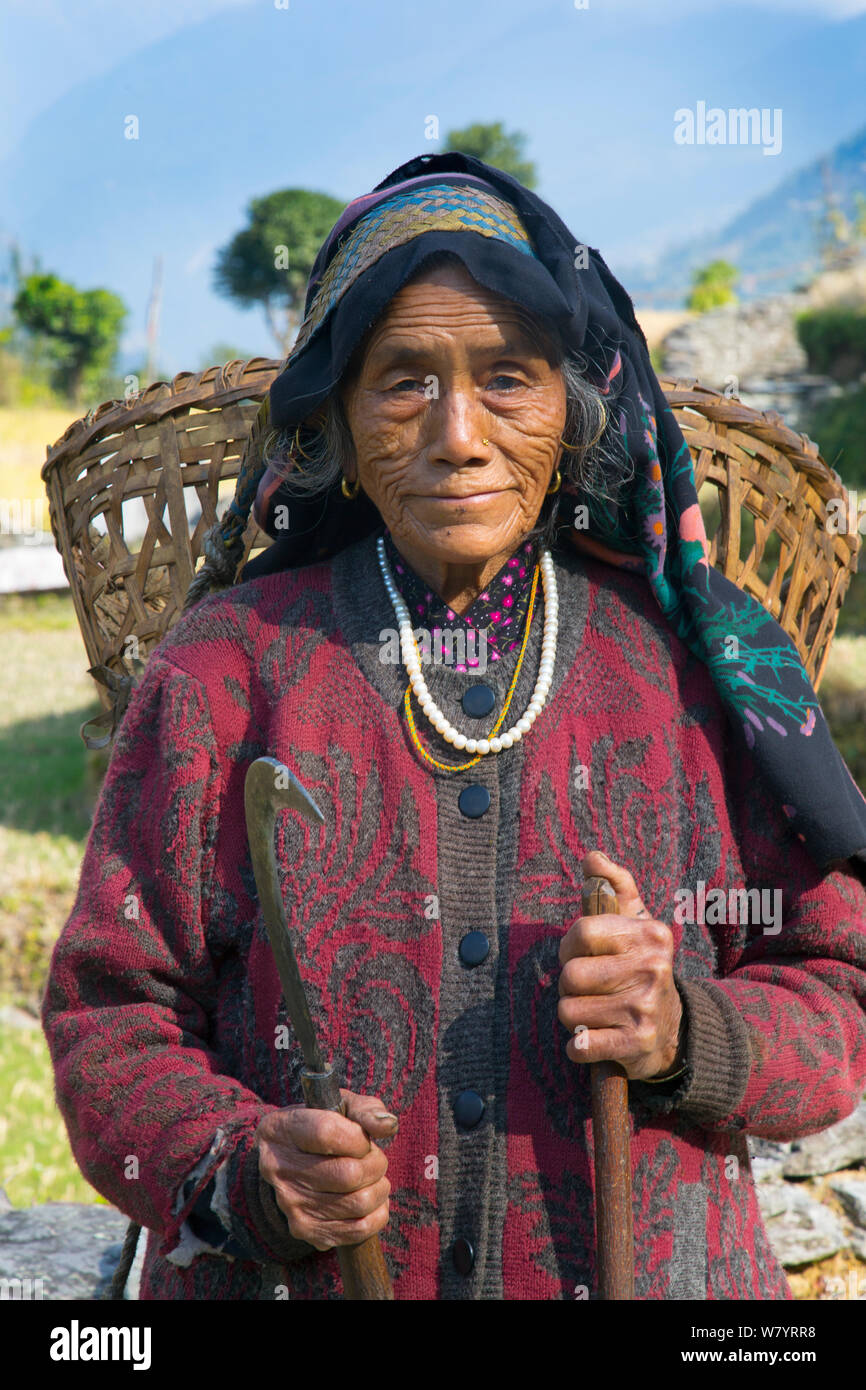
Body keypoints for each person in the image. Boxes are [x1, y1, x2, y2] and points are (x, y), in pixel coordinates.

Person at [41, 152, 866, 1300]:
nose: (458, 433)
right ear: (334, 416)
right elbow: (108, 1011)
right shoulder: (223, 672)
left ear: (572, 410)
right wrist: (244, 1169)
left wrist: (685, 1030)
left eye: (506, 379)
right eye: (404, 381)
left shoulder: (693, 671)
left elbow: (836, 986)